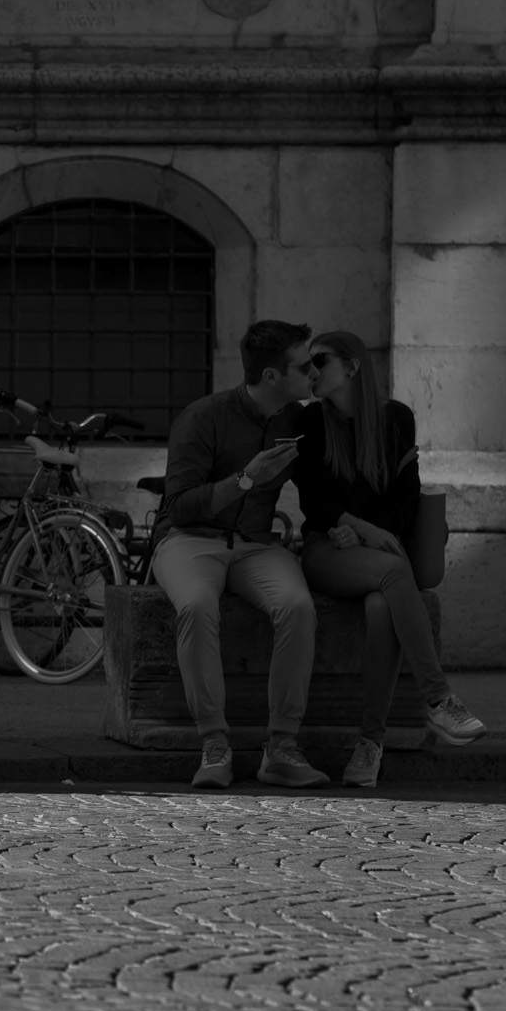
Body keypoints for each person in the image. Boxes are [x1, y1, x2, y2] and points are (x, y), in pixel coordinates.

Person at [292, 330, 486, 788]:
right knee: (397, 573)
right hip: (327, 551)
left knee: (383, 606)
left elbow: (405, 499)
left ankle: (369, 744)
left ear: (353, 367)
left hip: (377, 549)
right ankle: (439, 701)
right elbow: (314, 502)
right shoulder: (310, 423)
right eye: (308, 363)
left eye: (320, 360)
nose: (312, 371)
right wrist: (352, 526)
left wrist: (364, 528)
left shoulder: (396, 420)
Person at [151, 319, 326, 791]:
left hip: (254, 545)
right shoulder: (203, 416)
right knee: (196, 605)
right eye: (304, 365)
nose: (313, 372)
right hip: (188, 540)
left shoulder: (298, 418)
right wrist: (245, 479)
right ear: (271, 376)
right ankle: (214, 742)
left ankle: (282, 747)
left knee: (297, 605)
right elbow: (180, 506)